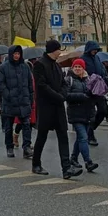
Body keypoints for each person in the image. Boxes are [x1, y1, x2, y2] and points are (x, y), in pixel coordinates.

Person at [32, 40, 81, 179]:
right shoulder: (39, 65)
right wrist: (58, 96)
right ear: (53, 50)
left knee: (63, 136)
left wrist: (63, 95)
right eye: (59, 50)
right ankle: (36, 164)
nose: (60, 52)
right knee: (42, 136)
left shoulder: (57, 65)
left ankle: (66, 168)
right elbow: (42, 86)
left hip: (58, 106)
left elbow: (64, 83)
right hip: (46, 106)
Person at [0, 45, 34, 159]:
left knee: (26, 125)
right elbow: (0, 84)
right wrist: (8, 95)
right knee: (8, 126)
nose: (16, 56)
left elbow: (30, 84)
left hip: (23, 101)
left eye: (18, 54)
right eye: (15, 54)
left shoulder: (25, 67)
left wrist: (30, 99)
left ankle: (26, 147)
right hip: (10, 102)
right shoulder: (3, 67)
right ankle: (9, 147)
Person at [67, 59, 99, 173]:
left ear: (83, 68)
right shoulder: (69, 80)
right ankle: (88, 162)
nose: (77, 69)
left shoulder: (89, 80)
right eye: (75, 67)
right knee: (84, 137)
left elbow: (93, 95)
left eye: (79, 67)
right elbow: (66, 95)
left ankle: (73, 158)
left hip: (87, 113)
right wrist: (81, 96)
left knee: (80, 138)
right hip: (75, 113)